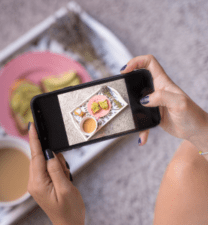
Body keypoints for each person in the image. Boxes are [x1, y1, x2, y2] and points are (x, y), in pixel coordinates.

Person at [27, 55, 208, 225]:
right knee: (188, 164)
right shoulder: (188, 168)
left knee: (186, 168)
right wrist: (201, 132)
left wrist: (67, 221)